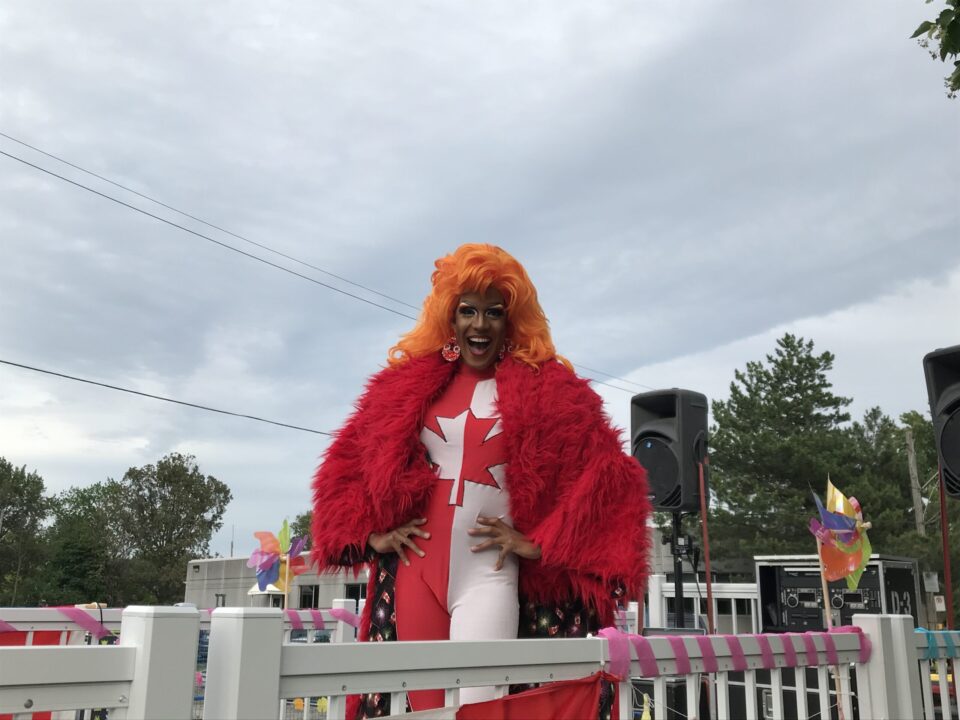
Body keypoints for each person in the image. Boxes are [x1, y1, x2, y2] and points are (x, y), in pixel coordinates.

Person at [311, 243, 651, 717]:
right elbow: (349, 463)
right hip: (415, 571)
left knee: (481, 706)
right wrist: (372, 536)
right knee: (423, 708)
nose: (480, 324)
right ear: (449, 317)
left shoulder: (551, 392)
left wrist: (541, 544)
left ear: (511, 321)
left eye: (494, 312)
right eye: (467, 310)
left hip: (489, 575)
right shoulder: (404, 389)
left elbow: (608, 479)